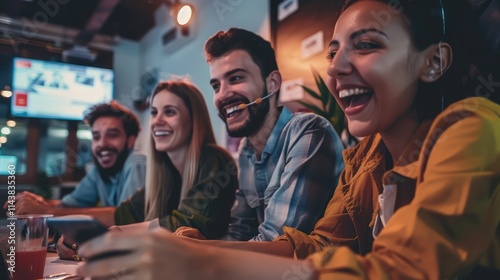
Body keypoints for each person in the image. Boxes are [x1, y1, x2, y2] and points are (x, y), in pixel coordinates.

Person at [77, 0, 500, 279]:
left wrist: (203, 262)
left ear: (433, 62)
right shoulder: (365, 159)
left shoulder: (473, 128)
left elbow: (400, 270)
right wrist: (196, 248)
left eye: (366, 45)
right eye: (333, 53)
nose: (335, 69)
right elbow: (314, 247)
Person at [176, 28, 344, 241]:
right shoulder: (246, 151)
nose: (222, 94)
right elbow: (239, 234)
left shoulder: (309, 132)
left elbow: (277, 243)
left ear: (272, 83)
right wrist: (202, 245)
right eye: (216, 86)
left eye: (235, 78)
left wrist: (207, 252)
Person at [5, 101, 146, 227]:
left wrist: (46, 211)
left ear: (130, 141)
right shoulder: (99, 170)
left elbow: (127, 218)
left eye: (112, 134)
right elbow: (69, 205)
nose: (102, 144)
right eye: (96, 136)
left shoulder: (136, 164)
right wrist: (42, 203)